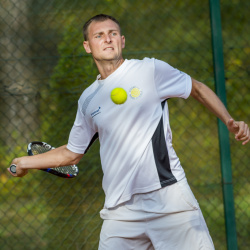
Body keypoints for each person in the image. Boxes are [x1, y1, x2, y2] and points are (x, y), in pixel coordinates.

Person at [8, 14, 250, 250]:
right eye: (99, 35)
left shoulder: (150, 70)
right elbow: (71, 154)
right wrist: (25, 162)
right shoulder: (88, 100)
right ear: (87, 46)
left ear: (122, 41)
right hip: (119, 211)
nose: (108, 39)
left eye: (113, 34)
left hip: (168, 200)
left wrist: (228, 119)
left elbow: (195, 88)